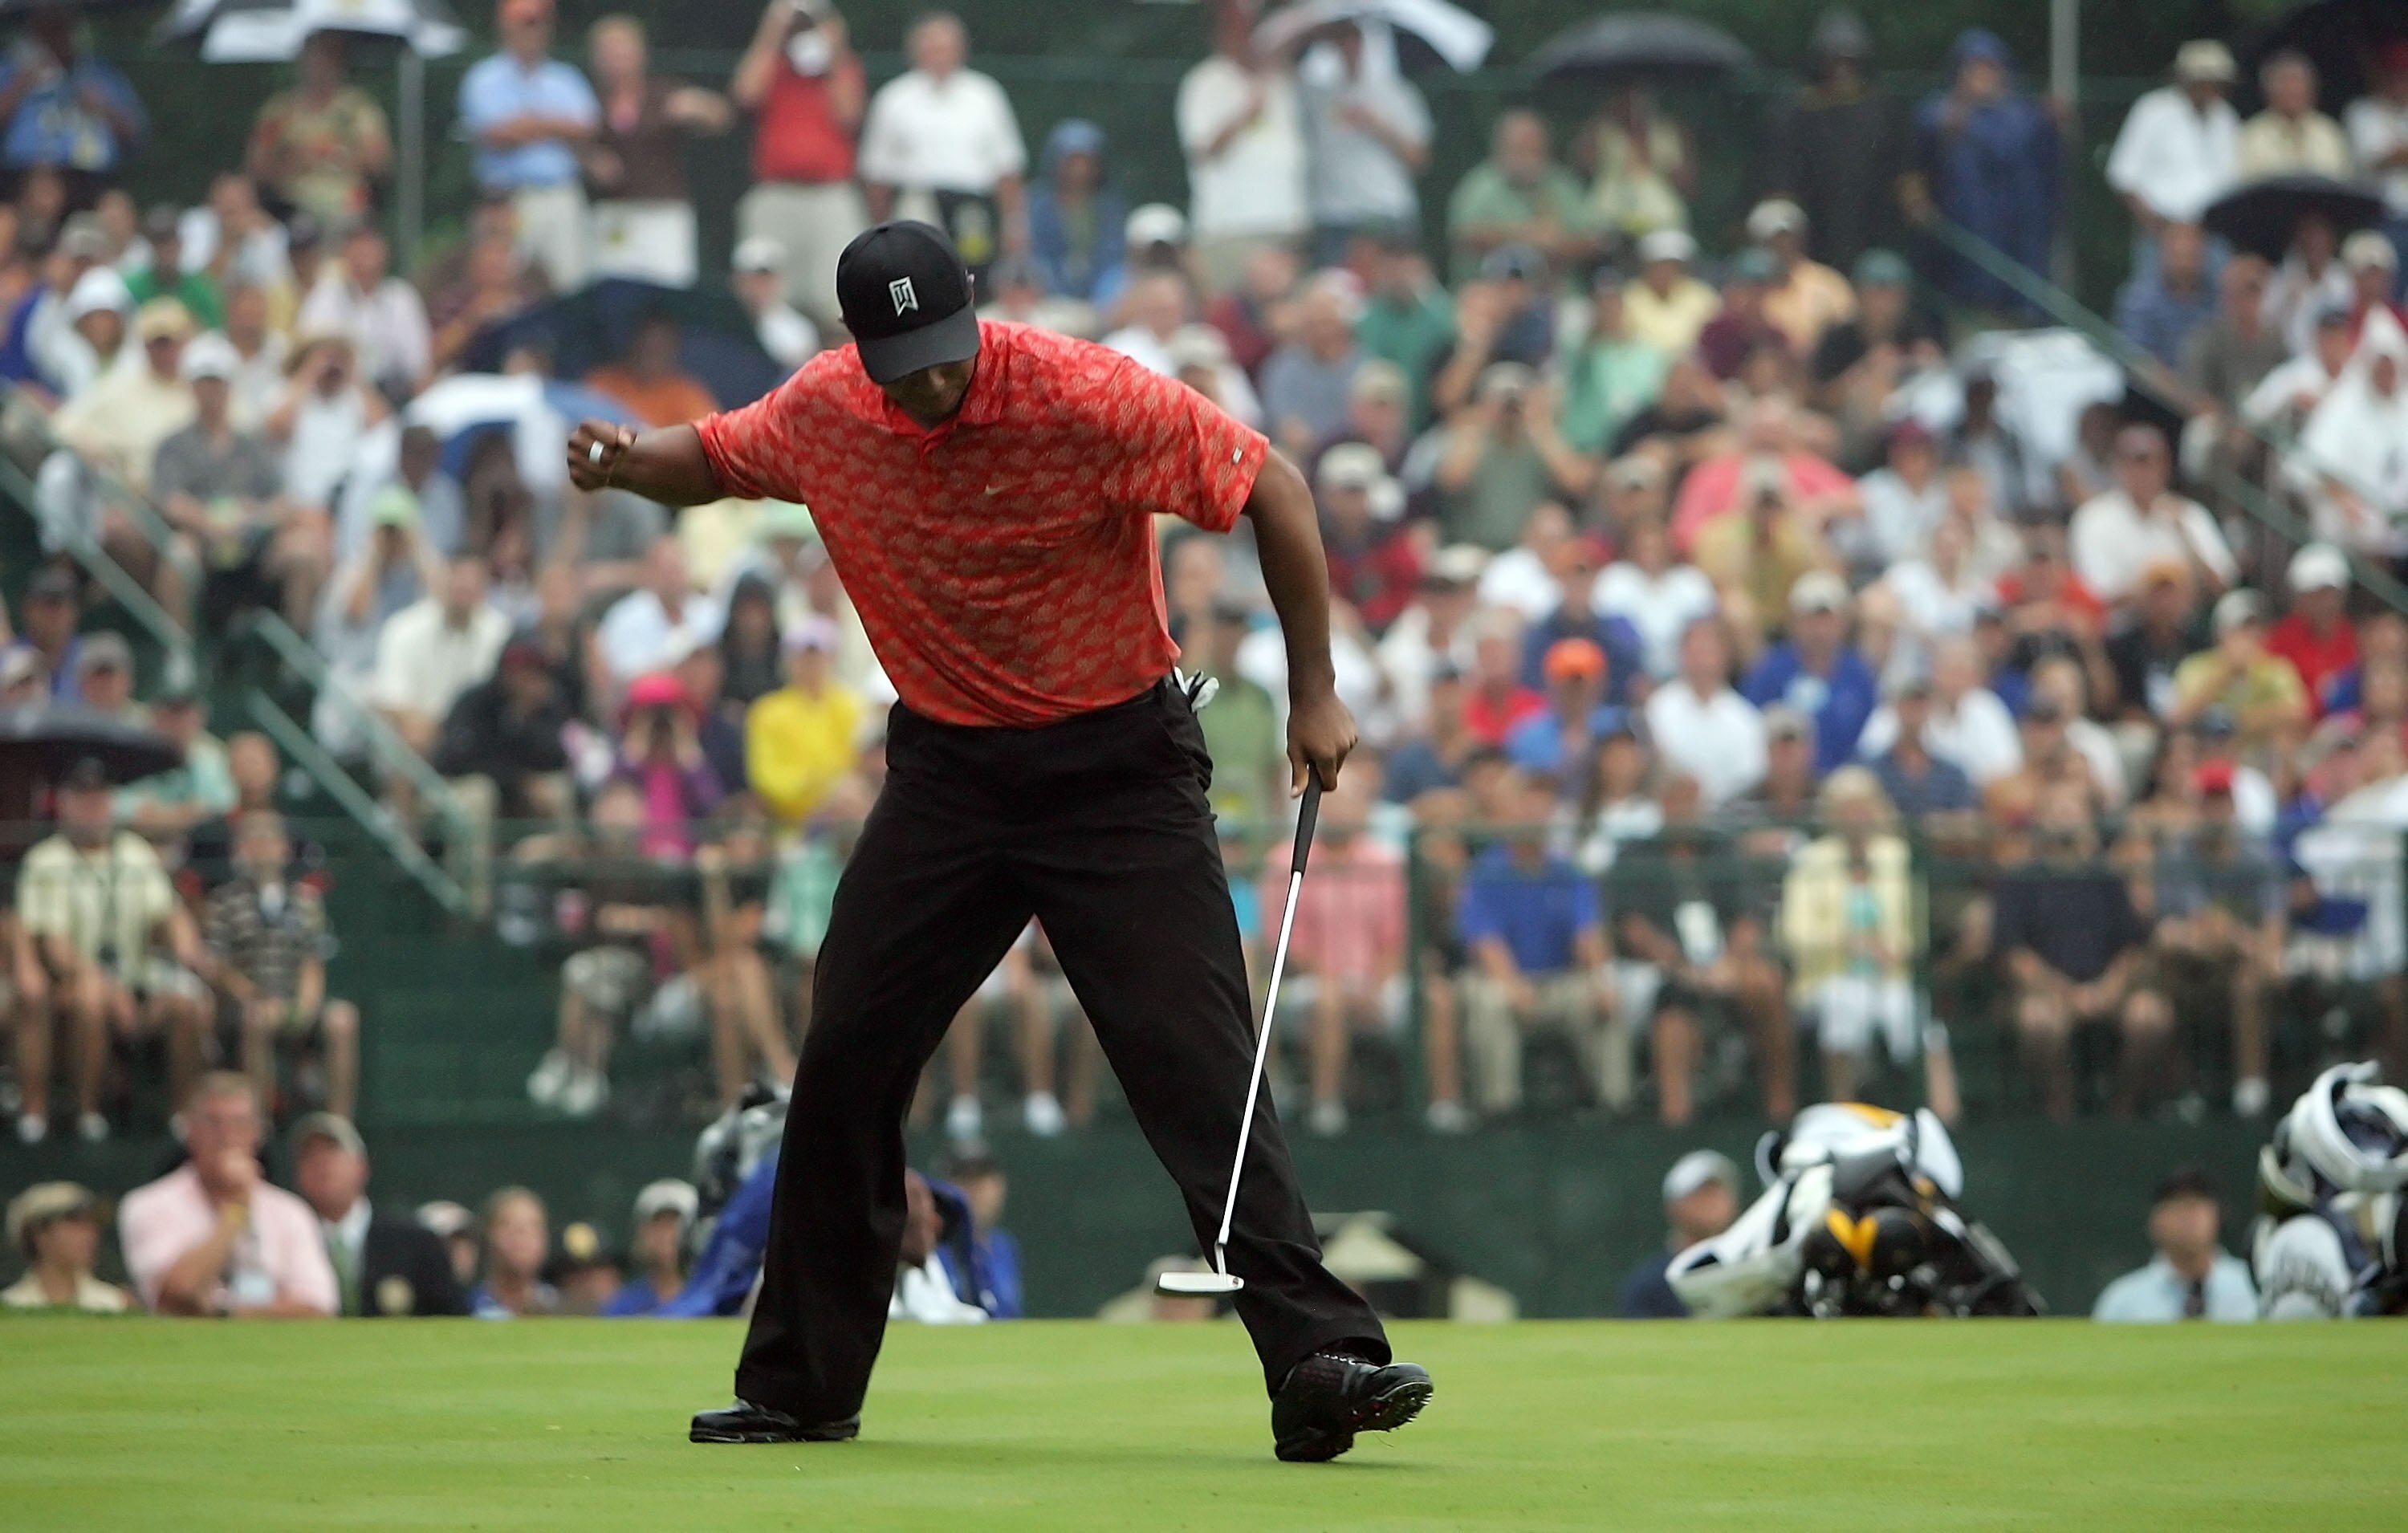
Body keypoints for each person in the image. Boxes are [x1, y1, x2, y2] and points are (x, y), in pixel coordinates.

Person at [571, 219, 1424, 1458]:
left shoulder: (1082, 392)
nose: (932, 382)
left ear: (974, 314)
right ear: (856, 352)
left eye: (945, 351)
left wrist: (1314, 691)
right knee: (849, 1047)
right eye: (901, 362)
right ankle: (803, 1382)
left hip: (1117, 774)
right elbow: (711, 456)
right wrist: (625, 460)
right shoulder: (826, 412)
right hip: (950, 778)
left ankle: (1317, 1358)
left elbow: (1273, 490)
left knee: (1196, 1067)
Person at [17, 758, 208, 1141]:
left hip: (138, 976)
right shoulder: (46, 860)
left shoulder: (137, 853)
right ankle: (87, 1112)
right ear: (65, 804)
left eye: (100, 799)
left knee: (189, 1001)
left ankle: (183, 1116)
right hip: (73, 982)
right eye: (83, 800)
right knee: (91, 999)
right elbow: (55, 948)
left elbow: (165, 914)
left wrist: (185, 944)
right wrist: (108, 986)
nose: (93, 809)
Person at [1991, 781, 2167, 1120]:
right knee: (2039, 1022)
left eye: (2072, 811)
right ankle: (2061, 1115)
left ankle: (2123, 1111)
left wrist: (2107, 990)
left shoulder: (2108, 878)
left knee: (2150, 1016)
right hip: (2046, 993)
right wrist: (2067, 994)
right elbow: (2015, 956)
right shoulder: (2019, 879)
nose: (2065, 820)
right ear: (2041, 820)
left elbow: (2132, 947)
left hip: (2108, 991)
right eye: (2056, 812)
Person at [1455, 771, 1620, 1117]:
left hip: (1557, 978)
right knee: (1492, 1003)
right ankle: (1501, 1113)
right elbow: (1486, 943)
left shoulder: (1567, 870)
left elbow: (1587, 934)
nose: (1536, 810)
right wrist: (1513, 987)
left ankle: (1614, 1110)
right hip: (1503, 980)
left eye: (1544, 802)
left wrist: (1602, 980)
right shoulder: (1487, 870)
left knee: (1603, 999)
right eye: (1527, 801)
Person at [118, 1073, 338, 1316]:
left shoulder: (290, 1211)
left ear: (256, 1133)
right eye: (214, 1123)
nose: (227, 1136)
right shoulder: (149, 1205)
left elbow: (318, 1305)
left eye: (239, 1123)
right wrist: (235, 1209)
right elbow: (177, 1294)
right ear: (190, 1130)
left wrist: (225, 1312)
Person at [206, 810, 360, 1121]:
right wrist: (254, 996)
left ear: (285, 848)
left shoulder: (307, 901)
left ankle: (339, 1124)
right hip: (248, 1003)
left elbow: (312, 960)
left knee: (342, 1019)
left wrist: (303, 1006)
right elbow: (219, 966)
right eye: (254, 840)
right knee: (257, 1019)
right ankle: (258, 1125)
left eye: (270, 839)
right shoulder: (224, 901)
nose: (263, 847)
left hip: (295, 999)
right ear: (240, 850)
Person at [857, 12, 1027, 283]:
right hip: (917, 204)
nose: (939, 55)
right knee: (919, 277)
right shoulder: (894, 99)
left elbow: (1007, 167)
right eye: (932, 48)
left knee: (973, 276)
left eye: (946, 48)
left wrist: (1014, 224)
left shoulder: (985, 95)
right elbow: (877, 174)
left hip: (971, 207)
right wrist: (880, 230)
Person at [732, 0, 867, 330]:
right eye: (797, 27)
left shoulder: (843, 68)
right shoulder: (772, 66)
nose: (804, 34)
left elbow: (850, 114)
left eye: (811, 26)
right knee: (765, 304)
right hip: (775, 194)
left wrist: (833, 53)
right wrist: (772, 33)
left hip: (830, 196)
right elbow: (745, 94)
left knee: (838, 301)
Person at [458, 0, 600, 292]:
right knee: (508, 284)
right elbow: (497, 134)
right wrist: (557, 126)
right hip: (507, 201)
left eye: (540, 23)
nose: (533, 32)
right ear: (506, 27)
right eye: (526, 23)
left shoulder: (566, 77)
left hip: (561, 196)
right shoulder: (483, 77)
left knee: (568, 283)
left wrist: (529, 123)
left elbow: (589, 128)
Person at [1915, 30, 2060, 315]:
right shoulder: (1943, 112)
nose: (1984, 76)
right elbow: (1925, 148)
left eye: (1991, 67)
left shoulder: (2023, 116)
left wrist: (2053, 122)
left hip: (2017, 234)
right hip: (1967, 237)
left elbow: (2048, 172)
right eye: (1976, 67)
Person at [581, 14, 730, 287]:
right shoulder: (588, 102)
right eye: (610, 53)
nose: (618, 61)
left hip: (664, 214)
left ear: (641, 54)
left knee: (669, 294)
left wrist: (698, 107)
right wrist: (592, 162)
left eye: (624, 52)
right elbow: (579, 149)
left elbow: (720, 117)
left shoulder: (663, 94)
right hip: (614, 215)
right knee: (615, 293)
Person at [1759, 10, 1910, 273]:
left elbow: (1900, 160)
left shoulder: (1880, 108)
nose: (1842, 69)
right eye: (1835, 61)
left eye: (1848, 61)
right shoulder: (1800, 110)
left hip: (1870, 213)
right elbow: (1783, 167)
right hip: (1816, 213)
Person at [1177, 0, 1306, 294]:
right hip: (1231, 228)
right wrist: (1246, 113)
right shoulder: (1204, 81)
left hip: (1286, 222)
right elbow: (1203, 149)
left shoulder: (1281, 80)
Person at [291, 1112, 470, 1317]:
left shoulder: (414, 1240)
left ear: (361, 1168)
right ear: (298, 1174)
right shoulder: (285, 1239)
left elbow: (454, 1316)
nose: (321, 1163)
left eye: (332, 1151)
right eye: (309, 1155)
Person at [1296, 21, 1430, 263]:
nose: (1348, 48)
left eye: (1353, 40)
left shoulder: (1396, 93)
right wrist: (1312, 30)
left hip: (1386, 209)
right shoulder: (1318, 94)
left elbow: (1418, 158)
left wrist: (1379, 127)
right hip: (1336, 214)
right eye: (1340, 41)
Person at [2068, 423, 2235, 605]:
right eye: (2134, 463)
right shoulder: (2094, 517)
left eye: (2150, 463)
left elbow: (2223, 584)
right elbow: (2097, 593)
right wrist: (2156, 589)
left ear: (2165, 466)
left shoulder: (2188, 513)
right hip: (2122, 628)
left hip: (2186, 627)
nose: (2143, 472)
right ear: (2118, 466)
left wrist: (2185, 535)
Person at [2105, 42, 2239, 264]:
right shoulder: (2153, 110)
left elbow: (2233, 178)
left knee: (2219, 296)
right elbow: (2123, 176)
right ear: (2184, 79)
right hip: (2160, 233)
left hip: (2213, 234)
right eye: (2203, 81)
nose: (2209, 89)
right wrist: (2157, 227)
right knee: (2150, 297)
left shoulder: (2226, 117)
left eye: (2215, 83)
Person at [1740, 571, 1879, 775]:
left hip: (1840, 784)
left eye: (1827, 620)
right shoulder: (1770, 671)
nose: (1819, 630)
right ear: (1793, 622)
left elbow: (1869, 741)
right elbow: (1750, 728)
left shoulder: (1858, 675)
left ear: (1844, 624)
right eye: (1811, 620)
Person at [246, 31, 390, 226]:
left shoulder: (358, 110)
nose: (321, 64)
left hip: (347, 206)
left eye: (330, 55)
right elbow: (258, 166)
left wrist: (335, 155)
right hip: (292, 208)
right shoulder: (279, 112)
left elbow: (378, 162)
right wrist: (291, 161)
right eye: (316, 54)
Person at [0, 8, 145, 198]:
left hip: (89, 181)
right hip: (20, 178)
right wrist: (20, 87)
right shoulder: (10, 70)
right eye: (46, 30)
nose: (53, 39)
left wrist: (104, 108)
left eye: (60, 29)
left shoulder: (99, 73)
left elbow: (136, 134)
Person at [1446, 110, 1596, 286]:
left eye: (1534, 149)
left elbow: (1593, 239)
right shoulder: (1481, 186)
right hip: (1491, 293)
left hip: (1557, 294)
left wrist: (1559, 245)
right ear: (1501, 148)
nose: (1528, 157)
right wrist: (1526, 237)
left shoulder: (1562, 184)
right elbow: (1464, 236)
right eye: (1520, 149)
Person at [2093, 1166, 2257, 1321]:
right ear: (2155, 1221)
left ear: (2218, 1215)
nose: (2189, 1216)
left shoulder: (2255, 1288)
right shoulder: (2123, 1303)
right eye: (2178, 1204)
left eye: (2199, 1205)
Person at [296, 223, 430, 398]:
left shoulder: (401, 297)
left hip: (391, 393)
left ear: (385, 253)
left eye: (370, 249)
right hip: (338, 392)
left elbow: (419, 366)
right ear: (345, 255)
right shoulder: (324, 296)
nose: (365, 257)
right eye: (358, 249)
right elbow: (309, 354)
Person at [1645, 617, 1766, 810]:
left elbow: (1749, 779)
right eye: (1694, 651)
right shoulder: (1658, 708)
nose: (1701, 660)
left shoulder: (1745, 719)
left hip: (1727, 818)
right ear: (1681, 654)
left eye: (1708, 652)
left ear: (1725, 656)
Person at [1616, 1150, 1739, 1318]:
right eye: (1700, 1193)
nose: (1711, 1202)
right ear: (1674, 1206)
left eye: (1717, 1192)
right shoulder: (1650, 1285)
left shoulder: (1756, 1276)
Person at [2, 1181, 129, 1311]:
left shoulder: (113, 1303)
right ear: (39, 1234)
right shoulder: (10, 1307)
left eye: (92, 1224)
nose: (90, 1235)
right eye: (76, 1224)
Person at [2115, 222, 2216, 372]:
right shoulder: (2139, 301)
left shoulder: (2218, 297)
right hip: (2157, 391)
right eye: (2181, 254)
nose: (2186, 261)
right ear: (2164, 253)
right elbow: (2138, 361)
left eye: (2192, 255)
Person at [2237, 51, 2353, 181]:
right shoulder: (2251, 135)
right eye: (2285, 83)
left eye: (2298, 83)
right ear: (2268, 91)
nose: (2293, 90)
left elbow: (2344, 181)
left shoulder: (2329, 132)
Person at [587, 313, 718, 427]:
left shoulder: (686, 393)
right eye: (647, 345)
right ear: (633, 344)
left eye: (660, 347)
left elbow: (708, 439)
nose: (652, 353)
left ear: (673, 350)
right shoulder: (604, 381)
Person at [602, 1179, 699, 1316]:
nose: (666, 1236)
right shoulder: (622, 1305)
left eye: (675, 1225)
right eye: (658, 1225)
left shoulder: (717, 1300)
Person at [732, 236, 820, 369]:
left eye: (766, 280)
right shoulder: (722, 325)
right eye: (752, 280)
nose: (759, 287)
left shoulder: (798, 329)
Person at [470, 1185, 559, 1317]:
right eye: (507, 1225)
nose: (521, 1236)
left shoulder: (563, 1308)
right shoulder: (466, 1309)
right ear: (487, 1235)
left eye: (533, 1226)